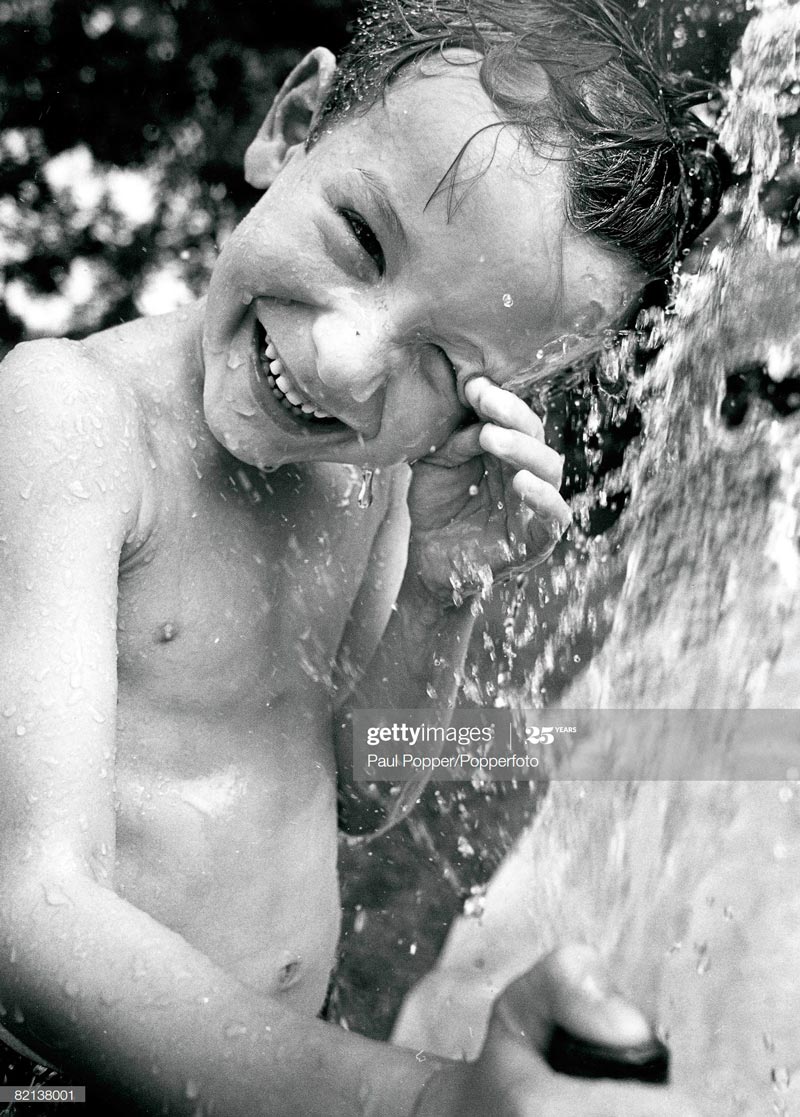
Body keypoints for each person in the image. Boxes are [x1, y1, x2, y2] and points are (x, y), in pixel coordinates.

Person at [0, 1, 723, 1113]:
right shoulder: (74, 424)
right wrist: (421, 1101)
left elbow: (362, 788)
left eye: (444, 361)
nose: (346, 361)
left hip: (293, 1047)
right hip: (64, 1068)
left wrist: (444, 583)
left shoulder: (374, 476)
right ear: (290, 127)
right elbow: (27, 907)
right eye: (362, 238)